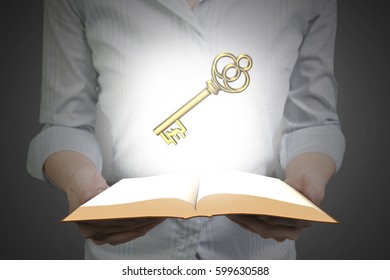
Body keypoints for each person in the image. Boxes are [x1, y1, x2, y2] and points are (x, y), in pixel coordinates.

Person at [27, 0, 345, 259]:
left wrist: (309, 178)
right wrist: (80, 181)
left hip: (255, 257)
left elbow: (314, 122)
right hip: (128, 258)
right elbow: (64, 125)